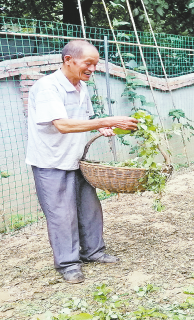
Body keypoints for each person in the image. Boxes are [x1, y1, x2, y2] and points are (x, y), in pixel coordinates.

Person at [25, 39, 138, 284]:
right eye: (89, 63)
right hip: (51, 162)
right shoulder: (48, 87)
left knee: (90, 209)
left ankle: (93, 251)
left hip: (78, 160)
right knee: (61, 215)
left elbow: (85, 120)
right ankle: (68, 264)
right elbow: (63, 125)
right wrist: (106, 120)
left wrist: (105, 126)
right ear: (69, 60)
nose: (93, 69)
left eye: (95, 65)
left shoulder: (80, 86)